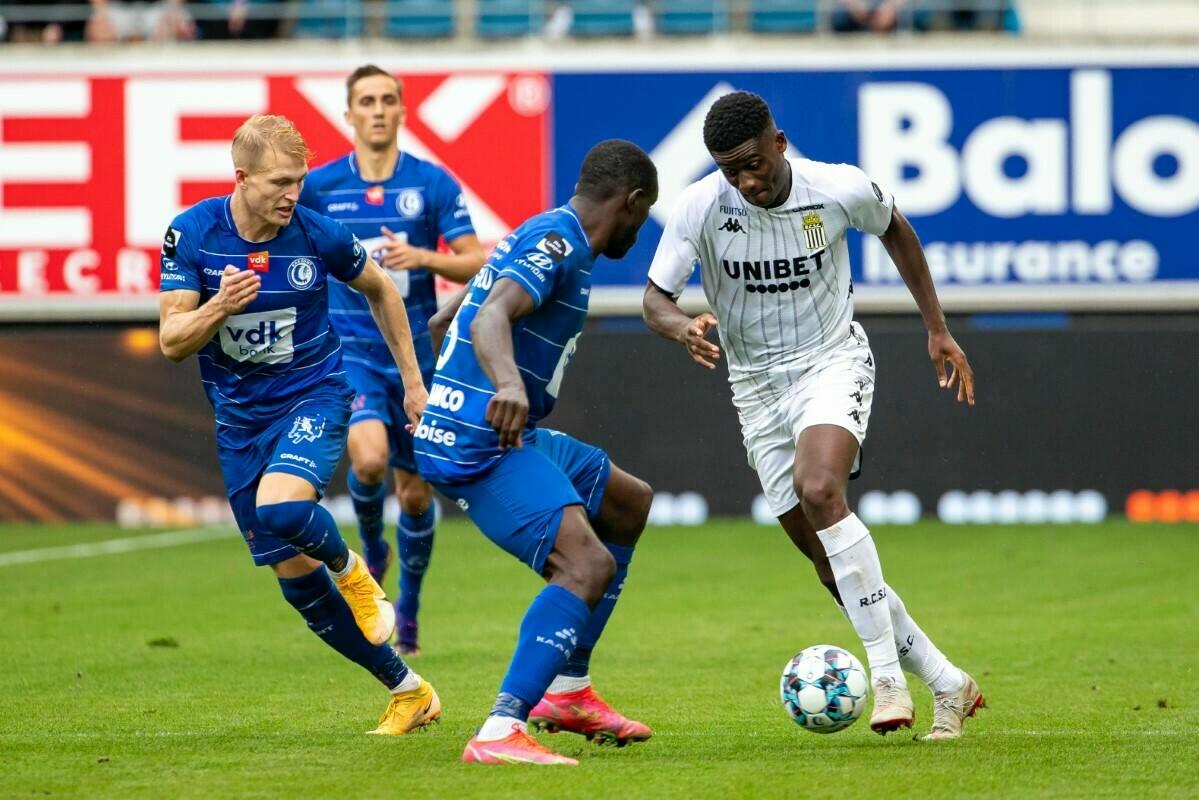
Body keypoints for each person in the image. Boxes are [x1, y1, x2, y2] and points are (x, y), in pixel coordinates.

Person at [642, 91, 983, 741]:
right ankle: (947, 682)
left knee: (820, 488)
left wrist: (936, 328)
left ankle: (886, 676)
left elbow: (895, 228)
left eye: (753, 164)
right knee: (829, 564)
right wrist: (680, 326)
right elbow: (654, 299)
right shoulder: (699, 207)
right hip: (754, 389)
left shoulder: (835, 187)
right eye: (729, 171)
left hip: (831, 360)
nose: (745, 181)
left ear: (779, 143)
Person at [158, 114, 440, 735]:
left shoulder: (316, 233)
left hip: (315, 396)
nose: (293, 194)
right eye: (280, 182)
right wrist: (219, 305)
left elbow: (383, 289)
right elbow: (172, 341)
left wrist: (414, 383)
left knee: (283, 508)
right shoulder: (193, 234)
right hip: (240, 424)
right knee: (297, 585)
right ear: (241, 178)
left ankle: (354, 572)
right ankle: (409, 691)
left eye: (300, 180)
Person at [414, 140, 657, 766]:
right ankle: (501, 729)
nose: (639, 231)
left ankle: (569, 692)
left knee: (627, 502)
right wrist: (506, 385)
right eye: (642, 215)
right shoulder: (559, 242)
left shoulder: (545, 233)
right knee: (586, 565)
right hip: (480, 445)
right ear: (631, 203)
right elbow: (488, 316)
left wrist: (455, 386)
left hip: (496, 431)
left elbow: (451, 317)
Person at [299, 64, 485, 657]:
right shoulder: (320, 187)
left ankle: (409, 606)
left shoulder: (430, 184)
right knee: (370, 458)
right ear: (349, 114)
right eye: (367, 101)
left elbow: (475, 260)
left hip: (415, 356)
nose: (377, 110)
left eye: (387, 100)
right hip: (348, 348)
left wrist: (422, 258)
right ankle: (373, 550)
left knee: (416, 496)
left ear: (402, 111)